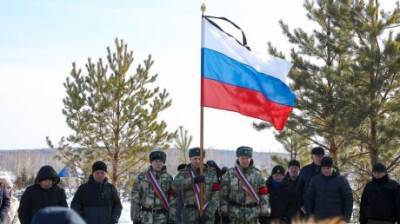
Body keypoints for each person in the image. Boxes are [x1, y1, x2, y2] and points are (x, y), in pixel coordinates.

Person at [220, 146, 269, 224]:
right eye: (242, 158)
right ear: (238, 158)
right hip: (234, 216)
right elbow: (223, 195)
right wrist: (224, 213)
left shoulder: (258, 175)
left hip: (253, 216)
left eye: (247, 158)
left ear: (251, 158)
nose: (245, 160)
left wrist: (264, 213)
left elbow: (264, 195)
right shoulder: (229, 174)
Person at [172, 147, 220, 224]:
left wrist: (208, 214)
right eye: (195, 159)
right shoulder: (183, 173)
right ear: (190, 159)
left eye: (199, 158)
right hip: (189, 214)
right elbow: (175, 186)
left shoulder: (211, 173)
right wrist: (192, 181)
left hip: (207, 213)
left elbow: (216, 194)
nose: (197, 161)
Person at [131, 150, 175, 224]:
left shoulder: (169, 178)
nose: (158, 163)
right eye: (156, 161)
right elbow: (135, 198)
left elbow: (173, 199)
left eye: (161, 161)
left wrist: (172, 218)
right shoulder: (142, 177)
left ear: (163, 162)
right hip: (145, 217)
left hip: (162, 218)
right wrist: (135, 218)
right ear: (151, 162)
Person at [304, 156, 353, 222]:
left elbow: (349, 199)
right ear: (321, 168)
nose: (326, 170)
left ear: (332, 168)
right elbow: (309, 199)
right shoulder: (315, 180)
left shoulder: (341, 180)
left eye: (328, 168)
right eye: (323, 168)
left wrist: (346, 219)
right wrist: (309, 217)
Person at [297, 147, 324, 213]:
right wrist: (301, 205)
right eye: (317, 156)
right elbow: (299, 189)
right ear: (312, 157)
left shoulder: (330, 170)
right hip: (308, 208)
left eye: (321, 156)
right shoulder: (305, 170)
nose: (319, 158)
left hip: (325, 208)